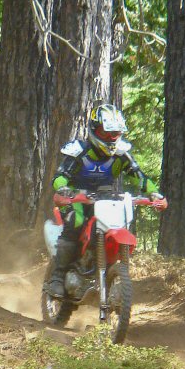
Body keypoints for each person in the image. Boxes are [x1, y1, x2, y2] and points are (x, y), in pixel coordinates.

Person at [45, 103, 162, 298]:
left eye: (114, 134)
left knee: (121, 224)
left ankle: (108, 273)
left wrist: (154, 193)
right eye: (105, 133)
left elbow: (139, 176)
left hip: (107, 201)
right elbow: (60, 176)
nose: (110, 138)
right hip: (78, 199)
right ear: (94, 130)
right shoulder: (79, 151)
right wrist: (64, 188)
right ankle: (57, 276)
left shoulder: (121, 154)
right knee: (77, 220)